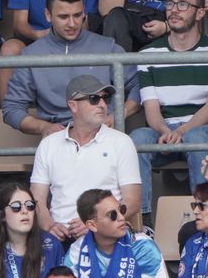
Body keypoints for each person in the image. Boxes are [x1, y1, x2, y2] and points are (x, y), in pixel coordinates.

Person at [2, 0, 132, 138]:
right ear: (48, 15)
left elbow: (138, 86)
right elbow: (12, 108)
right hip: (59, 138)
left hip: (104, 134)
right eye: (63, 17)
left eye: (77, 15)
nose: (72, 24)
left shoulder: (107, 47)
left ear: (84, 12)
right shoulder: (31, 55)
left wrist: (117, 115)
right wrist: (43, 127)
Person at [133, 0, 208, 198]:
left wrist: (182, 131)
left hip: (204, 127)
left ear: (200, 13)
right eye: (170, 4)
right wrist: (166, 131)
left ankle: (205, 211)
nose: (174, 10)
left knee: (196, 138)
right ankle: (140, 217)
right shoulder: (147, 54)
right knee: (136, 139)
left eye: (183, 4)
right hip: (164, 130)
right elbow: (151, 109)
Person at [31, 76, 143, 241]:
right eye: (94, 98)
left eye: (106, 98)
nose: (102, 104)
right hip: (59, 237)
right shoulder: (48, 144)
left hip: (104, 236)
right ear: (73, 105)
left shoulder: (121, 142)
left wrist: (96, 224)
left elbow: (132, 201)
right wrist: (50, 227)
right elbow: (37, 200)